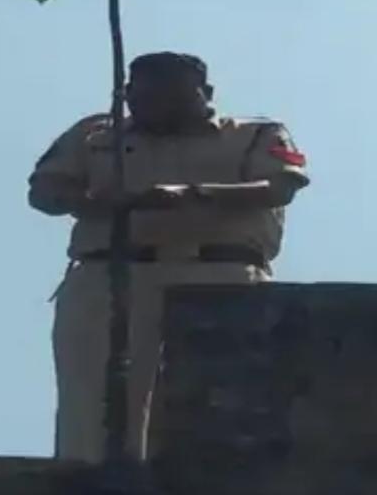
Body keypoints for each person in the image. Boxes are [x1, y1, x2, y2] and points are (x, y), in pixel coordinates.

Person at [28, 52, 309, 463]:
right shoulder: (96, 134)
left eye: (172, 93)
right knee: (94, 403)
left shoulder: (255, 134)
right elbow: (44, 191)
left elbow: (281, 185)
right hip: (110, 276)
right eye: (143, 94)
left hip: (220, 274)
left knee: (220, 402)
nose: (156, 103)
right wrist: (91, 202)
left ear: (205, 93)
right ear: (125, 94)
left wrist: (191, 195)